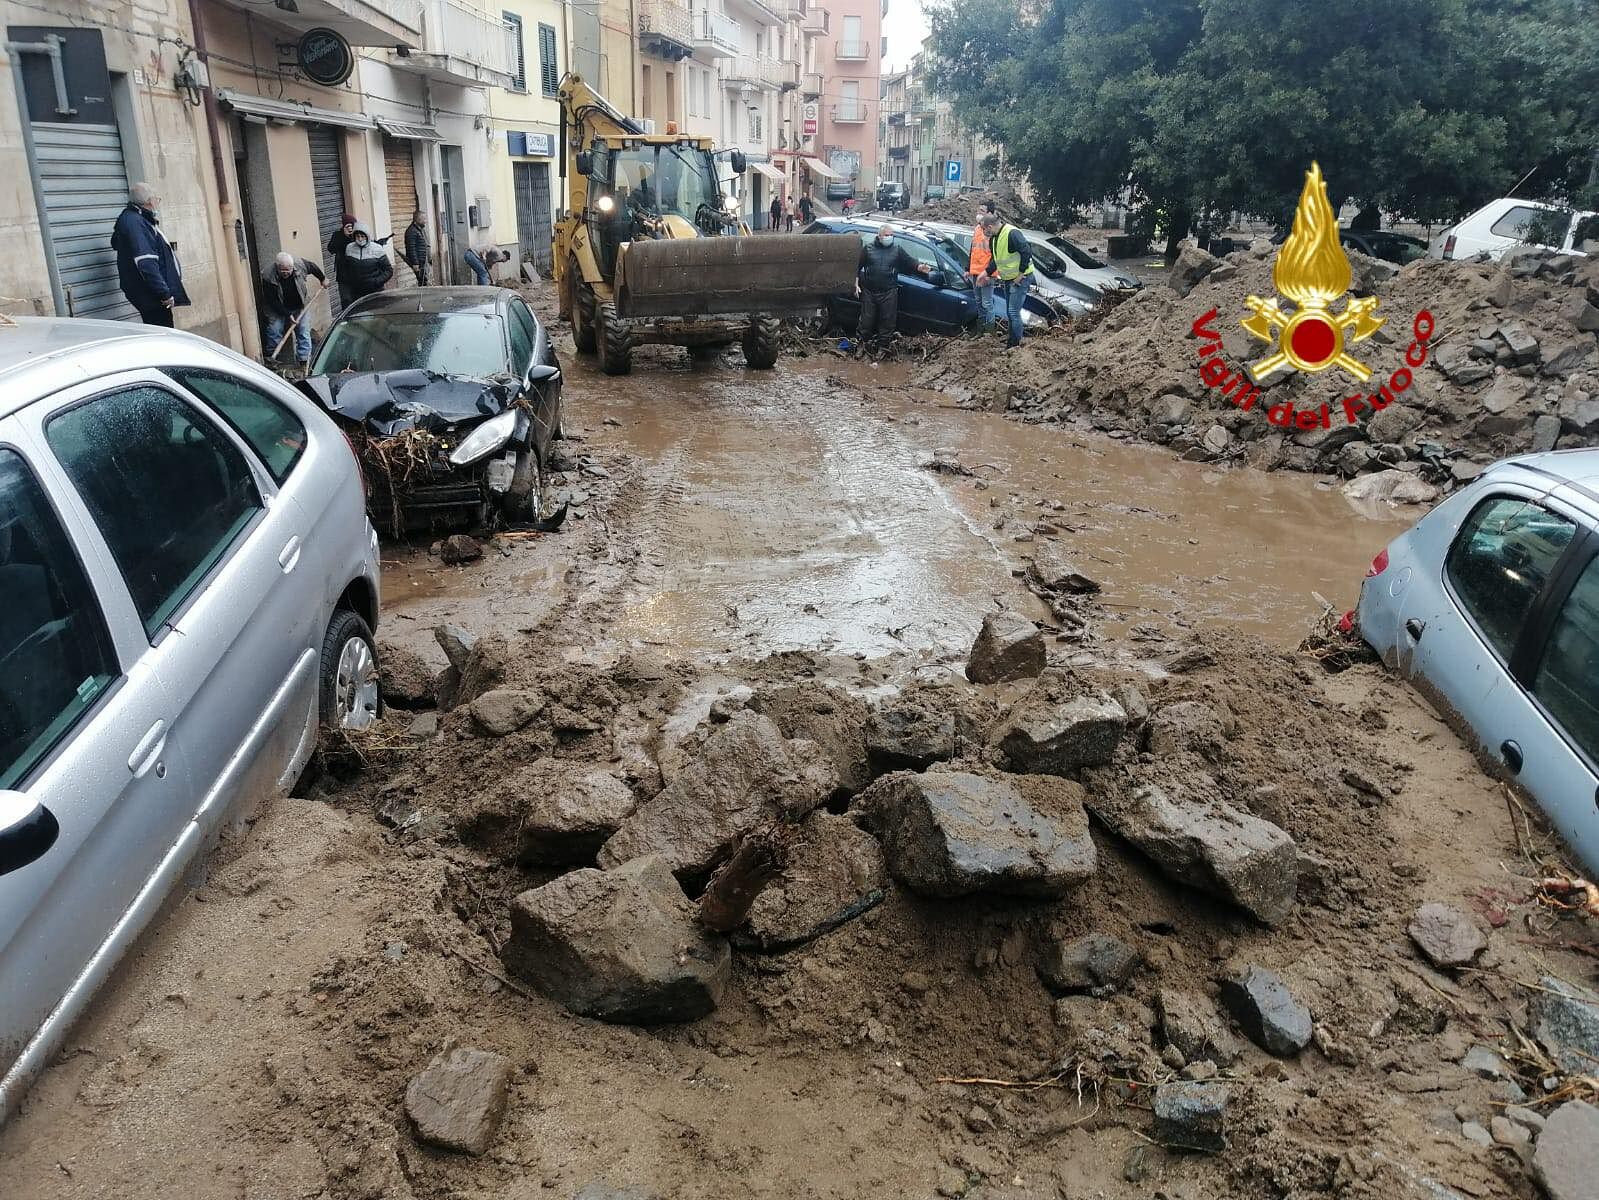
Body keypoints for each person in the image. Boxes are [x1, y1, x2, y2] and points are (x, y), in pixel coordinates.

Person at [110, 182, 189, 326]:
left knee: (161, 331)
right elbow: (146, 262)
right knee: (163, 332)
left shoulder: (135, 219)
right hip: (150, 296)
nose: (157, 202)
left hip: (148, 294)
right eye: (156, 199)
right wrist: (164, 294)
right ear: (148, 201)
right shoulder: (135, 222)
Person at [853, 224, 932, 347]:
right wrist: (855, 283)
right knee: (866, 321)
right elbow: (857, 267)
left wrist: (921, 267)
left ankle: (883, 348)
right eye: (886, 235)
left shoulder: (897, 249)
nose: (889, 237)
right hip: (869, 291)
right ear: (879, 236)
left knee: (887, 322)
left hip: (889, 292)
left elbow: (910, 262)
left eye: (891, 235)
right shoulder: (868, 249)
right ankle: (861, 345)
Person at [259, 252, 325, 369]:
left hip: (300, 305)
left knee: (303, 331)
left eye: (288, 270)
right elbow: (273, 301)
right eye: (283, 270)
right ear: (277, 267)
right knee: (275, 329)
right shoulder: (268, 276)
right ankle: (272, 357)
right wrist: (287, 314)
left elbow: (313, 267)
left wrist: (323, 279)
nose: (286, 273)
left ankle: (304, 361)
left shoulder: (300, 264)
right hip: (278, 307)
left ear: (292, 266)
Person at [980, 209, 1034, 348]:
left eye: (984, 229)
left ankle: (1015, 344)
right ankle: (1012, 341)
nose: (984, 232)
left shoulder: (1012, 233)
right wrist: (985, 272)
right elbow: (996, 260)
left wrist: (1021, 274)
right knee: (1010, 312)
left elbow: (1026, 251)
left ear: (990, 227)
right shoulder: (994, 239)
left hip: (1020, 278)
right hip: (1009, 279)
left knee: (1013, 312)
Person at [340, 221, 392, 302]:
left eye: (362, 236)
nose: (360, 239)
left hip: (375, 292)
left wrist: (376, 282)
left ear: (367, 236)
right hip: (357, 293)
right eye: (357, 236)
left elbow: (389, 270)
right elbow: (347, 268)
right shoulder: (349, 248)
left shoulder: (377, 249)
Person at [968, 201, 996, 329]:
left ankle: (989, 333)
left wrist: (989, 274)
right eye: (978, 210)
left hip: (986, 274)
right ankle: (981, 331)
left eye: (982, 211)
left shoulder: (991, 231)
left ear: (989, 214)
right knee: (979, 302)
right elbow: (973, 250)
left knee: (987, 303)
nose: (978, 213)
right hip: (975, 272)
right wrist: (967, 268)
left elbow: (996, 255)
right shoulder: (977, 228)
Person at [327, 213, 358, 307]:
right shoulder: (337, 235)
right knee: (346, 302)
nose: (350, 228)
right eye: (348, 226)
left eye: (352, 226)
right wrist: (344, 236)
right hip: (343, 276)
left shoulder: (358, 235)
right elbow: (331, 249)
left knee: (358, 302)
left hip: (358, 275)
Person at [403, 211, 431, 286]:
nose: (426, 221)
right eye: (424, 219)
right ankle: (423, 296)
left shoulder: (419, 229)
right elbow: (411, 248)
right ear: (418, 219)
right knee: (422, 281)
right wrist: (415, 263)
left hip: (423, 261)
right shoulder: (412, 231)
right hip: (419, 262)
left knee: (425, 280)